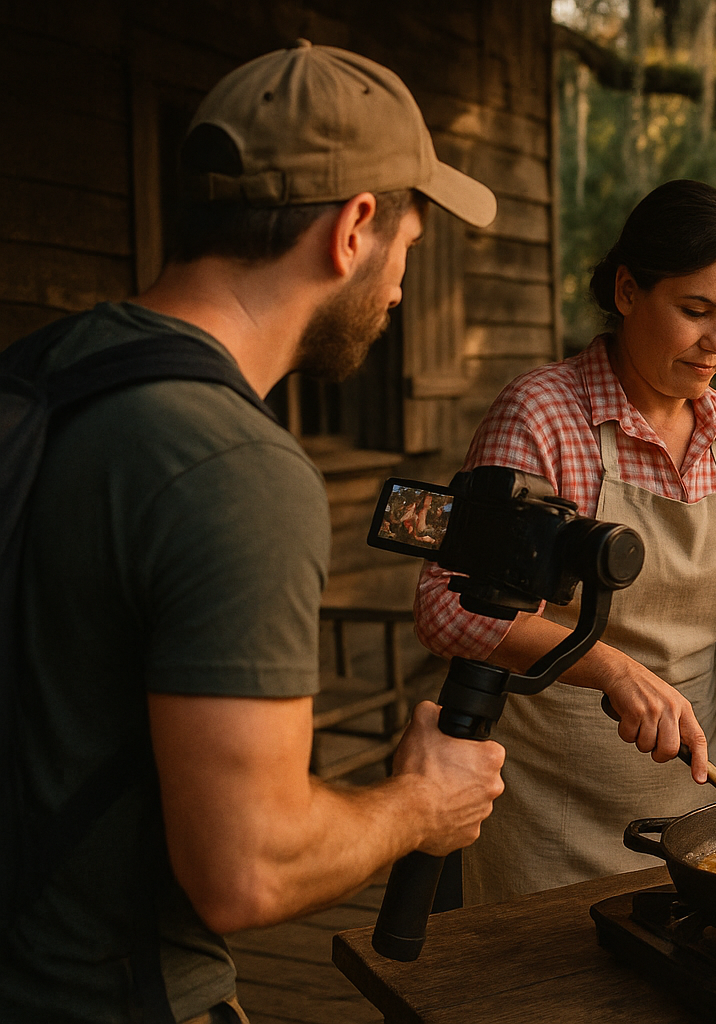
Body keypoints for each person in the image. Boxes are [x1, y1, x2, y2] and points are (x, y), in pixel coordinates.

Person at [1, 42, 507, 1023]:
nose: (404, 281)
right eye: (411, 241)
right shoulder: (237, 469)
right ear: (355, 227)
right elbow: (248, 869)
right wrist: (419, 802)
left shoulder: (39, 372)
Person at [415, 179, 716, 898]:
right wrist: (609, 667)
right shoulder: (541, 415)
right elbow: (449, 608)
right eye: (696, 311)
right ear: (626, 291)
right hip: (548, 808)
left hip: (701, 805)